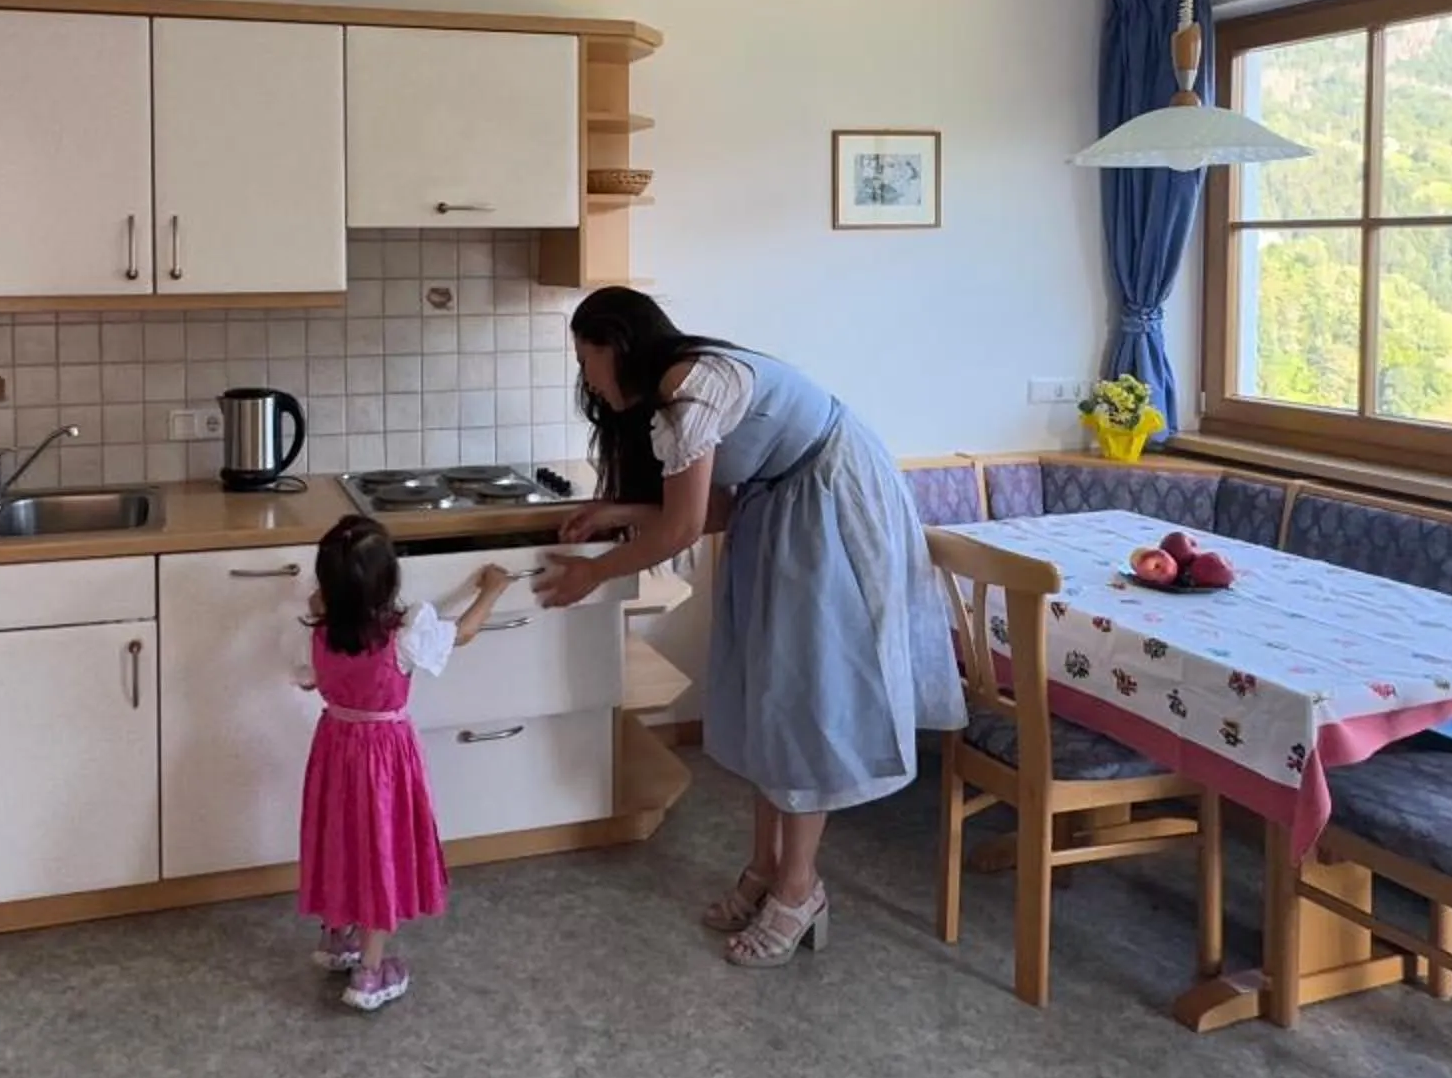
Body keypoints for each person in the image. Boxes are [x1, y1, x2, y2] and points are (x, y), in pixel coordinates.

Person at [531, 289, 960, 966]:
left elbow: (681, 526)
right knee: (767, 691)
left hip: (828, 506)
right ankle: (764, 868)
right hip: (779, 509)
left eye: (588, 362)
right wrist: (619, 513)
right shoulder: (679, 398)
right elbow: (714, 509)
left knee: (801, 700)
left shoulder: (692, 390)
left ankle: (799, 888)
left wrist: (595, 571)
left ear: (617, 346)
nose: (587, 379)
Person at [296, 514, 513, 1012]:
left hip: (334, 746)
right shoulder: (404, 635)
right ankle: (371, 972)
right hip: (384, 759)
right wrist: (493, 589)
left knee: (341, 842)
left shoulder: (321, 622)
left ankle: (337, 939)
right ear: (389, 580)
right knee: (380, 853)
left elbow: (320, 611)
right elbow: (461, 633)